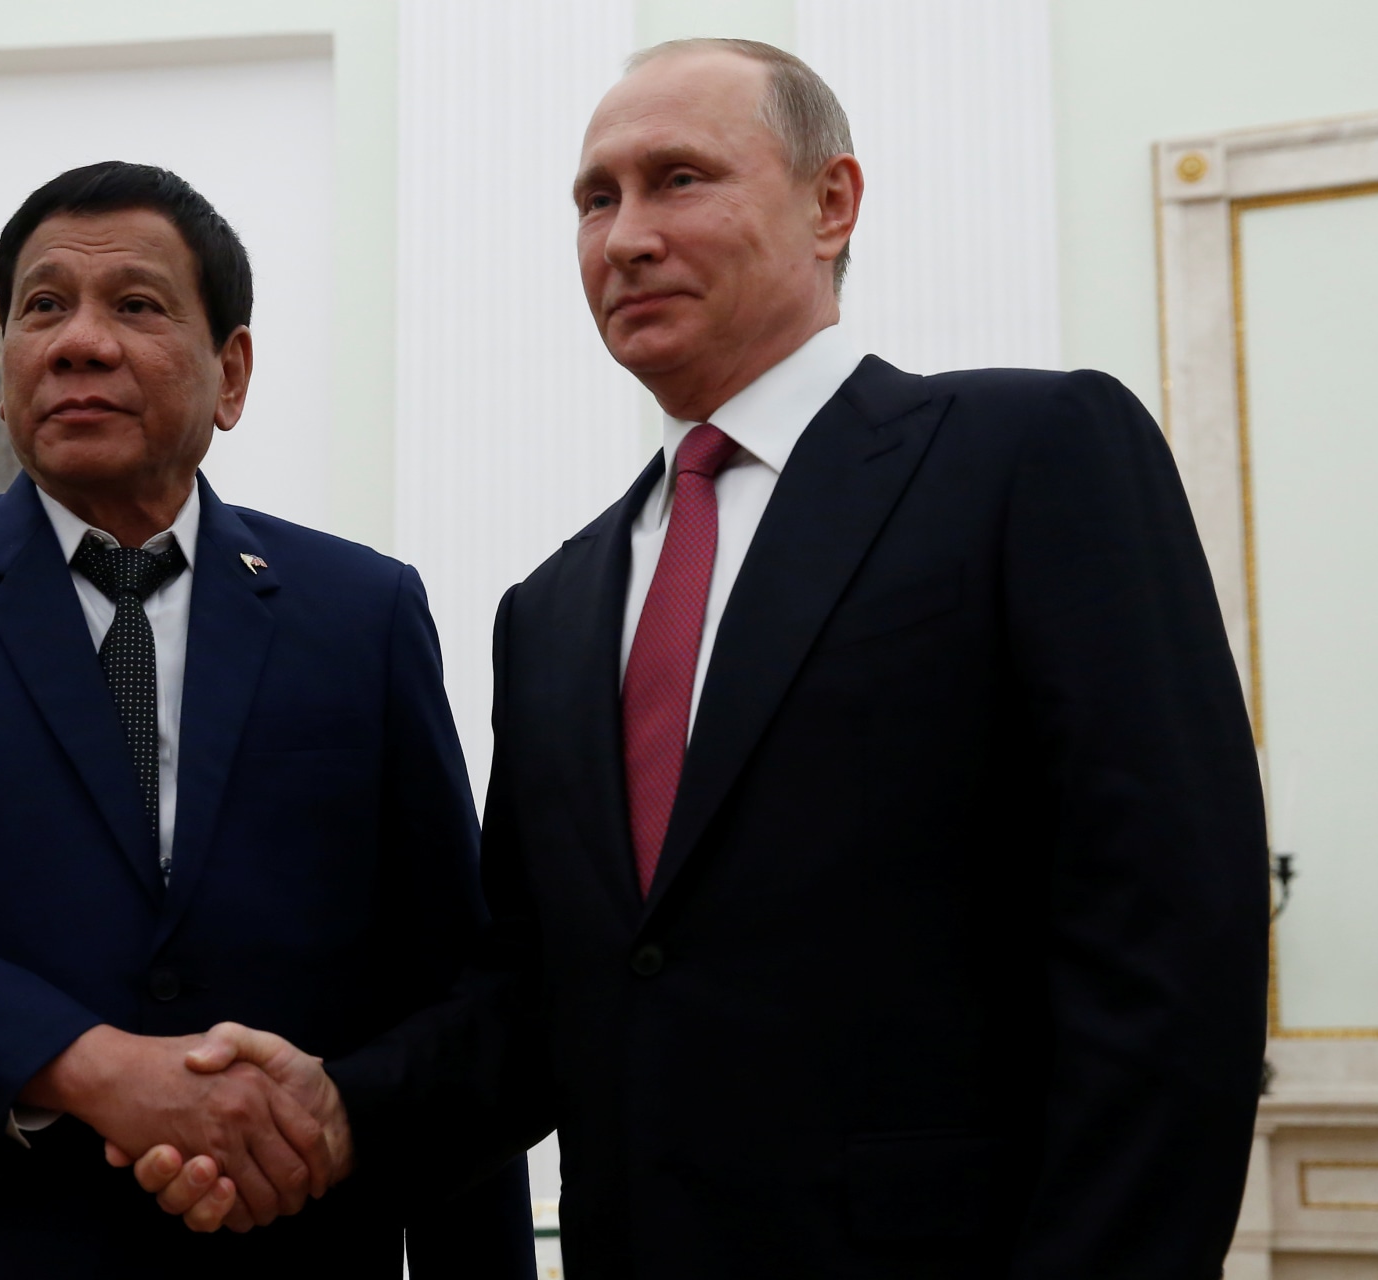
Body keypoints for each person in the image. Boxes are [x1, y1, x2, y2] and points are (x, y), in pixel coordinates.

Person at [136, 39, 1270, 1278]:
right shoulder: (554, 607)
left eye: (679, 178)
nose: (624, 237)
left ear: (831, 202)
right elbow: (543, 996)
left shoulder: (1029, 453)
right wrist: (340, 1107)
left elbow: (1170, 941)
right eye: (596, 197)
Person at [0, 160, 534, 1279]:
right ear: (4, 362)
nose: (80, 341)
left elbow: (451, 979)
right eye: (42, 306)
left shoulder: (361, 610)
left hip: (292, 1244)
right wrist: (93, 1064)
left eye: (137, 306)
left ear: (232, 370)